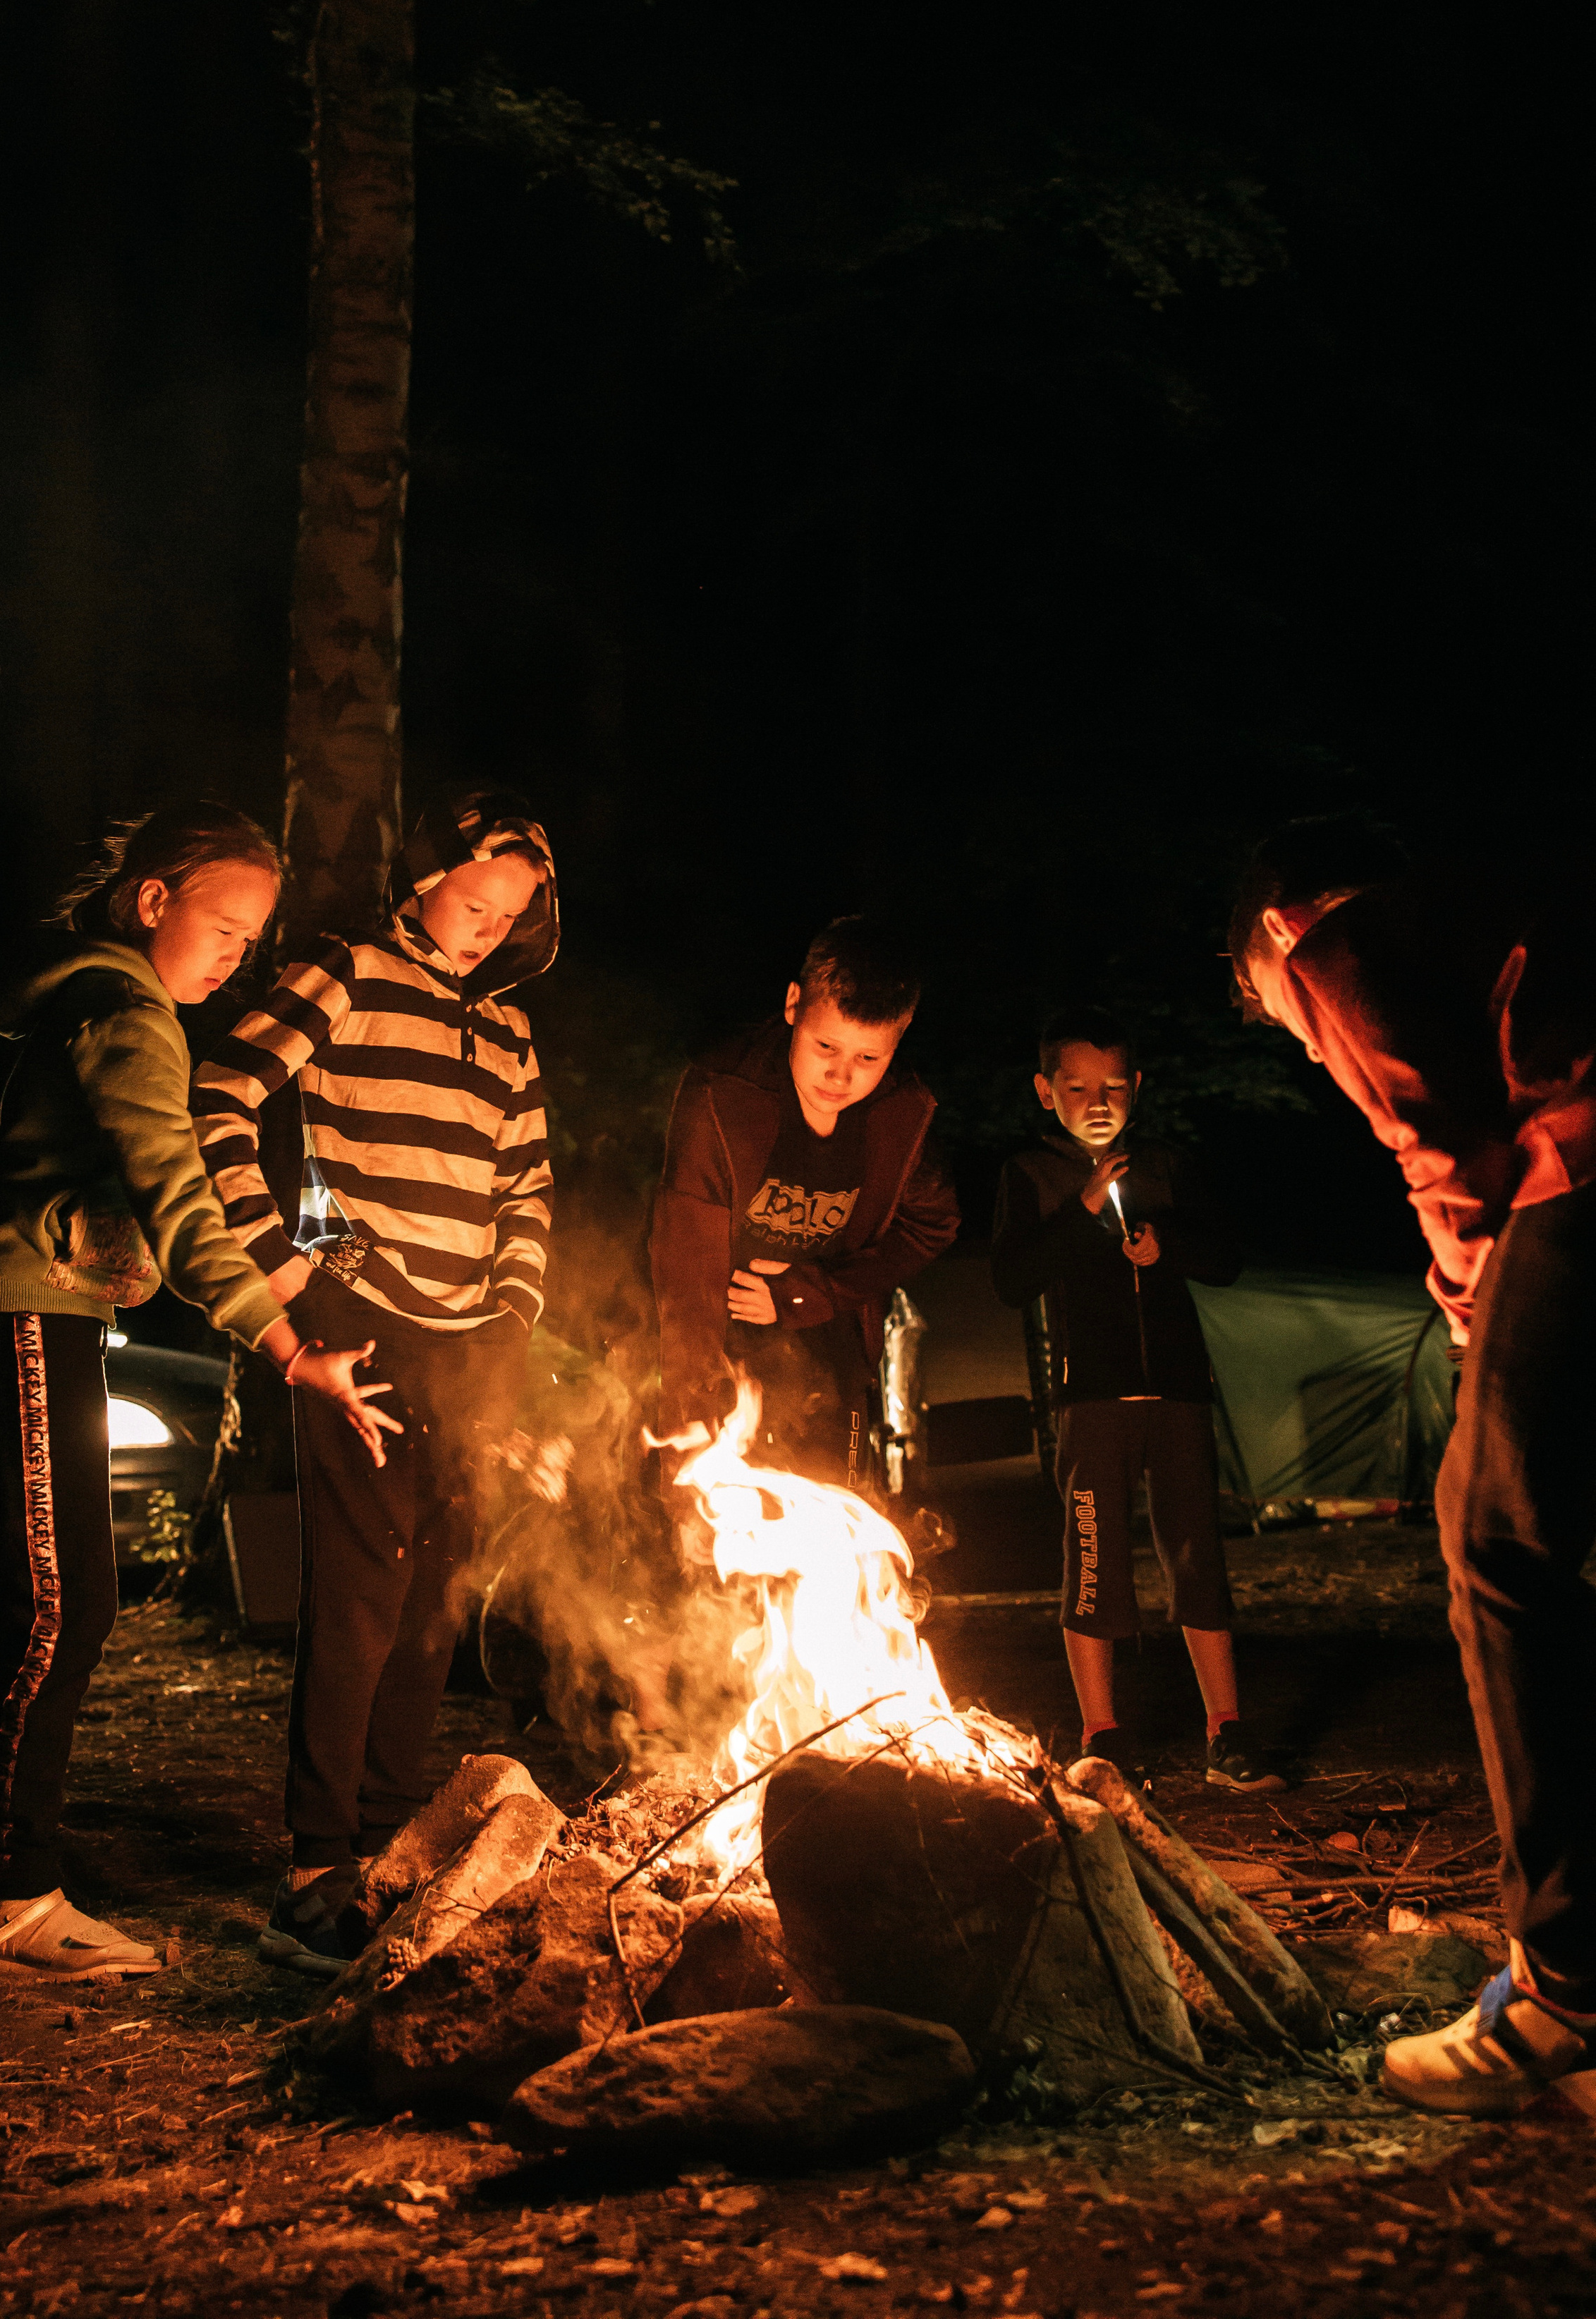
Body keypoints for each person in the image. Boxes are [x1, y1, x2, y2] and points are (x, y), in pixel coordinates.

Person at [0, 803, 394, 1980]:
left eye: (252, 941)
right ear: (156, 900)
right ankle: (19, 1887)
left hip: (38, 1308)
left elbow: (132, 1197)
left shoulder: (103, 1001)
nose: (234, 955)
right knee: (67, 1601)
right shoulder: (127, 1011)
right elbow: (178, 1190)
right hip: (25, 1311)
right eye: (224, 925)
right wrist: (285, 1344)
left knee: (20, 1585)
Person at [1230, 813, 1596, 2117]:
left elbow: (1446, 1149)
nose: (1308, 1033)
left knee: (1494, 1531)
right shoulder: (1497, 903)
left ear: (1273, 939)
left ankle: (1566, 1995)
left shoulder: (1327, 940)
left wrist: (1461, 1292)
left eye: (1282, 1016)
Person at [192, 785, 555, 1976]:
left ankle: (391, 1848)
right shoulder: (344, 972)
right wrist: (288, 1272)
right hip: (362, 1316)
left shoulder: (507, 1031)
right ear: (424, 883)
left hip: (471, 1342)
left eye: (508, 918)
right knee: (358, 1588)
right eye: (472, 903)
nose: (485, 930)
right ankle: (313, 1866)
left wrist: (514, 1314)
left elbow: (528, 1192)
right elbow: (222, 1097)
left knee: (437, 1598)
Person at [991, 1004, 1278, 1792]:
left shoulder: (1166, 1166)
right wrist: (1083, 1212)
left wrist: (1168, 1247)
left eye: (1114, 1084)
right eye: (1078, 1087)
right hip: (1091, 1399)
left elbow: (1226, 1259)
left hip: (1180, 1391)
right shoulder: (1032, 1173)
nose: (1097, 1100)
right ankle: (1102, 1735)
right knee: (1093, 1557)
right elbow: (1013, 1278)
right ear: (1046, 1092)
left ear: (1137, 1087)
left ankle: (1227, 1732)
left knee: (1198, 1554)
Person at [652, 916, 958, 1492]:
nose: (841, 1075)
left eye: (869, 1059)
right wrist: (689, 1406)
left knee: (832, 1525)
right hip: (723, 1355)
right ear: (795, 1004)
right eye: (827, 1047)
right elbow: (684, 1264)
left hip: (832, 1359)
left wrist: (809, 1292)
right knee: (719, 1542)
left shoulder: (901, 1115)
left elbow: (932, 1226)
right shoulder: (724, 1097)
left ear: (899, 1037)